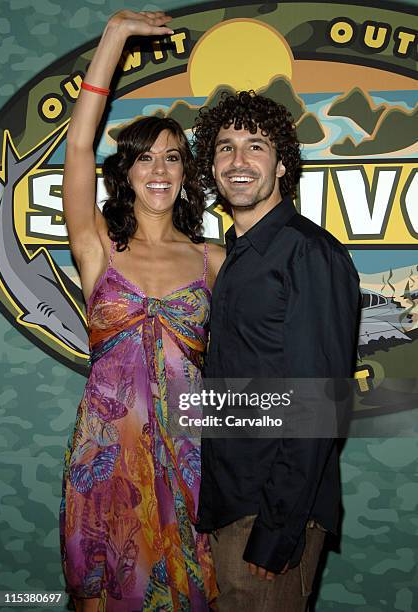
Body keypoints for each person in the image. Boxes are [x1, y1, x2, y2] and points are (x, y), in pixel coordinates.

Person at [59, 11, 224, 612]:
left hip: (194, 458)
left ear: (187, 174)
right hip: (105, 460)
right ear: (124, 171)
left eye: (173, 158)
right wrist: (114, 36)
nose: (159, 169)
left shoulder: (213, 261)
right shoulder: (97, 244)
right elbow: (78, 143)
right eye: (146, 157)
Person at [192, 91, 361, 611]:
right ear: (211, 166)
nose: (238, 161)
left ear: (282, 163)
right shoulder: (236, 256)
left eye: (256, 146)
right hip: (227, 505)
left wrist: (278, 528)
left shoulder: (307, 253)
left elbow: (319, 402)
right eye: (225, 147)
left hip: (268, 515)